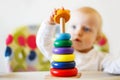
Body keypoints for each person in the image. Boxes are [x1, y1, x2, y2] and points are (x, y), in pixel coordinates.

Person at [36, 7, 120, 73]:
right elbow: (43, 43)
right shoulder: (59, 51)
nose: (78, 32)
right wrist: (49, 24)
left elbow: (115, 67)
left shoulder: (101, 59)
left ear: (96, 38)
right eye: (73, 27)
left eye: (86, 29)